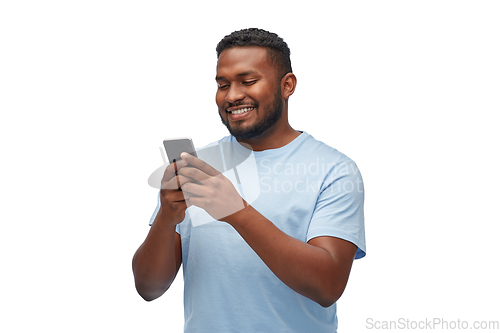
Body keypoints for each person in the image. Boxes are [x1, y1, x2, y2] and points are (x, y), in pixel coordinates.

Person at [132, 28, 366, 333]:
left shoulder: (334, 170)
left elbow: (327, 286)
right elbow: (148, 288)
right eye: (223, 84)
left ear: (287, 85)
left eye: (248, 81)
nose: (232, 95)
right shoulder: (198, 166)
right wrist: (166, 217)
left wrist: (238, 212)